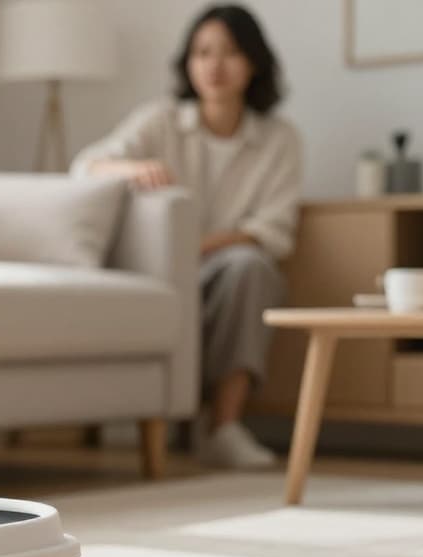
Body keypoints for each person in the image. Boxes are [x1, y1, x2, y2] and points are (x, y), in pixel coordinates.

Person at [73, 4, 301, 469]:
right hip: (161, 274)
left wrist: (196, 247)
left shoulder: (279, 139)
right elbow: (85, 166)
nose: (214, 66)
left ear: (254, 62)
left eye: (230, 52)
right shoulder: (159, 121)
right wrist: (132, 168)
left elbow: (272, 232)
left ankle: (224, 426)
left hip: (228, 270)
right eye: (202, 53)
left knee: (252, 269)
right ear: (188, 63)